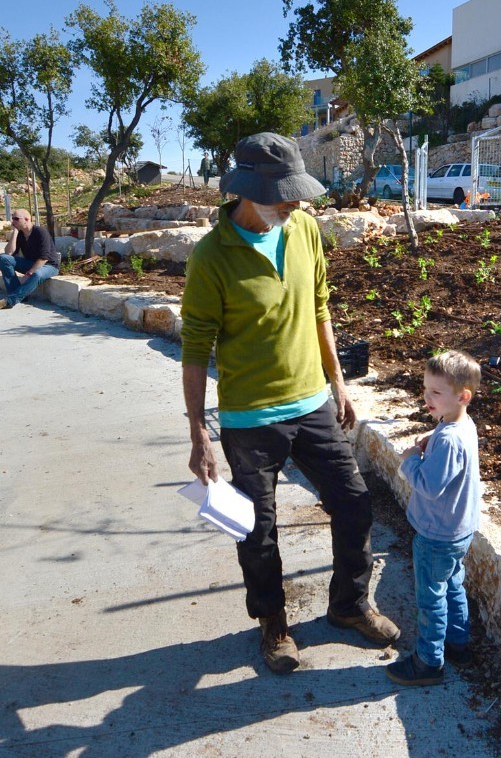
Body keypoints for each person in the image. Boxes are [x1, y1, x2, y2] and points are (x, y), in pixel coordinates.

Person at [180, 131, 400, 673]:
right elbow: (195, 347)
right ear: (248, 191)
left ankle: (349, 606)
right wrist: (198, 433)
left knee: (353, 502)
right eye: (285, 194)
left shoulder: (303, 229)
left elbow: (320, 306)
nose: (297, 202)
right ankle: (272, 622)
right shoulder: (211, 257)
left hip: (312, 403)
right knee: (256, 530)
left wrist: (337, 382)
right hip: (248, 418)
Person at [388, 350, 481, 688]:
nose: (427, 397)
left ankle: (429, 661)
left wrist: (410, 459)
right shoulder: (461, 425)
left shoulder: (448, 439)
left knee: (431, 597)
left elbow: (429, 486)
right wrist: (432, 441)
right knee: (453, 584)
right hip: (459, 530)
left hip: (436, 535)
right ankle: (458, 642)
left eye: (436, 393)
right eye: (425, 389)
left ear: (462, 396)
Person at [1, 209, 60, 309]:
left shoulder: (40, 231)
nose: (13, 221)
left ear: (27, 219)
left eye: (16, 219)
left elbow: (44, 257)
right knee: (3, 258)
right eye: (12, 219)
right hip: (31, 263)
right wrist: (15, 232)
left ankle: (11, 301)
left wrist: (29, 273)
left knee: (37, 274)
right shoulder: (20, 234)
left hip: (49, 266)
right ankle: (18, 295)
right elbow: (9, 253)